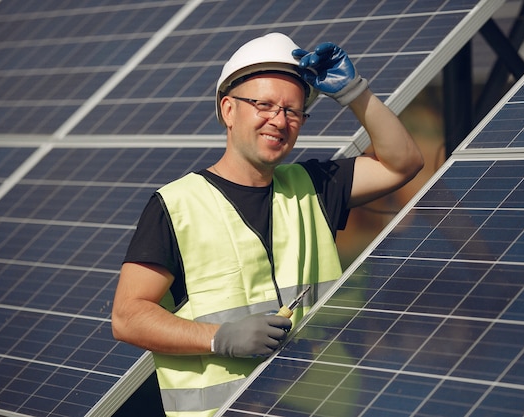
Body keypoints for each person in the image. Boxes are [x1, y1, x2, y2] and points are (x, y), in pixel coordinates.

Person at [111, 32, 423, 417]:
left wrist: (356, 93)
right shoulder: (177, 205)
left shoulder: (313, 187)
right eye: (264, 104)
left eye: (293, 111)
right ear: (228, 110)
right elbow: (128, 318)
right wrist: (219, 338)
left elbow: (403, 163)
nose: (280, 120)